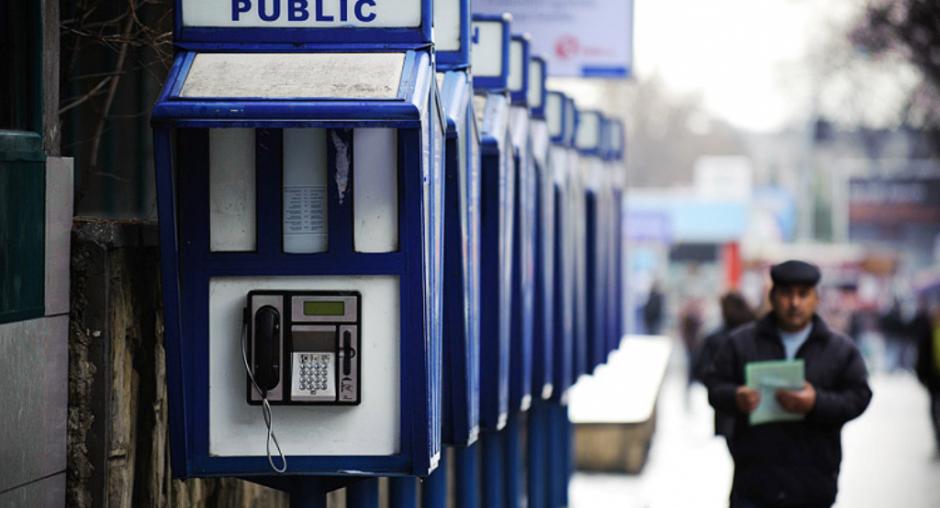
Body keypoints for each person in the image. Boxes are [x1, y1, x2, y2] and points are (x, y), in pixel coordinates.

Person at [705, 260, 872, 508]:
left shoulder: (839, 349)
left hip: (813, 485)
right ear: (772, 296)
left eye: (803, 294)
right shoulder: (741, 343)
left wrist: (816, 402)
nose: (794, 303)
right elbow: (715, 385)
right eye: (786, 294)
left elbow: (859, 396)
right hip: (754, 484)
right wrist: (736, 397)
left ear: (816, 298)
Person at [695, 291, 756, 441]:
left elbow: (701, 370)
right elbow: (703, 370)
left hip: (748, 407)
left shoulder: (755, 335)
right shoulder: (718, 338)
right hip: (735, 407)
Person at [913, 299, 940, 455]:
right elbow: (922, 353)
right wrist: (921, 375)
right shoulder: (928, 328)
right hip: (934, 378)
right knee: (934, 409)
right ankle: (938, 439)